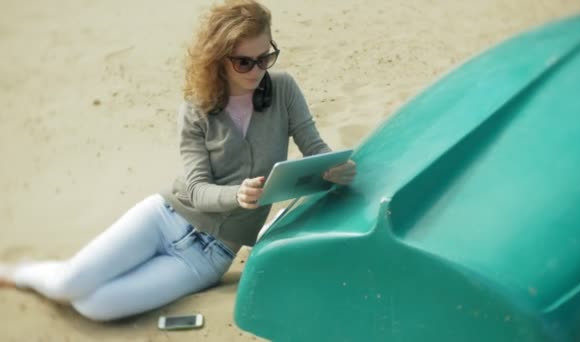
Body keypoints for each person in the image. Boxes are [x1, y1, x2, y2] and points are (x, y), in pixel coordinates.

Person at [0, 0, 356, 321]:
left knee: (96, 306)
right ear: (219, 59)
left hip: (208, 257)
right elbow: (197, 188)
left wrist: (334, 168)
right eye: (244, 61)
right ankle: (24, 272)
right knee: (68, 284)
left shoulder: (284, 90)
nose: (257, 70)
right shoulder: (196, 106)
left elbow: (315, 147)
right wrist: (238, 196)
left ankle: (71, 276)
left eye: (266, 57)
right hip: (164, 217)